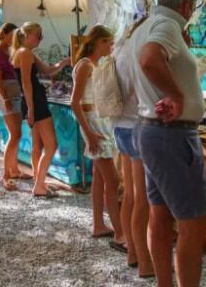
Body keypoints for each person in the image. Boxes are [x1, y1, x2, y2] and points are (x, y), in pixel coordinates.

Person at [132, 0, 206, 287]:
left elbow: (144, 61)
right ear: (186, 4)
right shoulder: (168, 26)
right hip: (172, 134)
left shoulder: (146, 26)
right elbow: (150, 59)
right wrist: (176, 96)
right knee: (192, 224)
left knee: (160, 216)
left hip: (154, 130)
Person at [70, 25, 125, 250]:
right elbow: (75, 102)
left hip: (98, 119)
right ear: (98, 42)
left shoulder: (94, 64)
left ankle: (99, 225)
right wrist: (89, 132)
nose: (110, 47)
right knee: (113, 180)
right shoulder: (84, 65)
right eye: (108, 43)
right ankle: (120, 234)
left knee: (100, 178)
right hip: (92, 121)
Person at [113, 19, 154, 278]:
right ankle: (145, 262)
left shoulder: (120, 50)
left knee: (130, 195)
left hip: (121, 126)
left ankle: (132, 251)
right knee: (142, 200)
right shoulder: (135, 53)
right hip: (135, 127)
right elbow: (137, 94)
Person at [12, 22, 69, 198]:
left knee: (38, 146)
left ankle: (40, 181)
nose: (40, 39)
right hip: (35, 102)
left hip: (32, 102)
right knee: (51, 145)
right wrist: (31, 108)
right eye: (38, 35)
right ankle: (39, 185)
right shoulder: (25, 53)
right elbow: (26, 83)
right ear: (27, 35)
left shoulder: (24, 52)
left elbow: (48, 70)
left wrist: (64, 62)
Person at [0, 22, 32, 191]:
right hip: (7, 96)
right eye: (12, 34)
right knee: (15, 135)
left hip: (13, 95)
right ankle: (6, 175)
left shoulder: (10, 51)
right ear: (4, 34)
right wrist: (5, 97)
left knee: (16, 135)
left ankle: (14, 170)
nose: (14, 38)